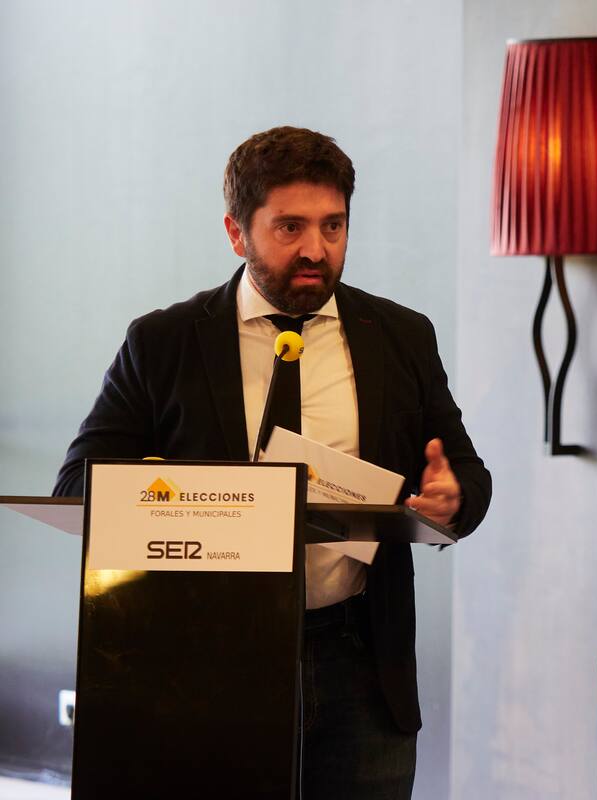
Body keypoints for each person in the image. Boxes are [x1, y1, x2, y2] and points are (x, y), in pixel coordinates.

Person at [53, 126, 491, 798]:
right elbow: (78, 486)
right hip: (207, 661)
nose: (316, 249)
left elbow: (464, 472)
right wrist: (185, 500)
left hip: (360, 662)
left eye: (333, 225)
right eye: (290, 227)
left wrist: (451, 497)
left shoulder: (401, 336)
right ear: (237, 232)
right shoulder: (164, 342)